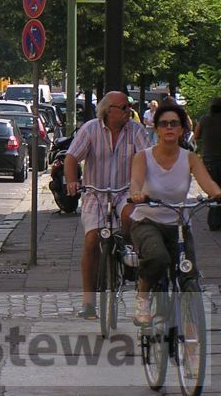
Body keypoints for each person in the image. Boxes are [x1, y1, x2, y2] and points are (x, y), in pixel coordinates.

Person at [129, 102, 221, 325]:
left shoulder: (189, 158)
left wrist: (217, 193)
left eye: (174, 124)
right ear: (157, 129)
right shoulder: (143, 157)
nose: (169, 127)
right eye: (163, 124)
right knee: (158, 258)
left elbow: (208, 184)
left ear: (181, 130)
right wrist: (137, 194)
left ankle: (190, 329)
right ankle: (142, 298)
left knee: (188, 271)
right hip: (148, 220)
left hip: (179, 223)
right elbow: (136, 183)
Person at [64, 91, 152, 320]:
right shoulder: (90, 129)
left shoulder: (136, 130)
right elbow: (71, 157)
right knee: (92, 241)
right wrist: (72, 181)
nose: (128, 111)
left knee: (130, 216)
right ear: (108, 110)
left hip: (126, 191)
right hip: (96, 193)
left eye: (129, 106)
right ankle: (88, 302)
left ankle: (129, 251)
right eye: (123, 107)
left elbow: (148, 158)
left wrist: (145, 188)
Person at [194, 97, 221, 229]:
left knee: (213, 189)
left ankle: (213, 221)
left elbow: (196, 136)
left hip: (209, 158)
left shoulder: (205, 119)